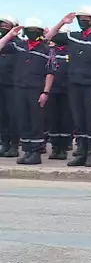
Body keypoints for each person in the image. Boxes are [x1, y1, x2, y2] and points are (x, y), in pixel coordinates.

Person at [45, 6, 91, 167]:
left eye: (86, 18)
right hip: (74, 84)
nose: (83, 20)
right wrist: (62, 22)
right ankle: (81, 153)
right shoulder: (73, 36)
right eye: (80, 17)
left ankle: (90, 154)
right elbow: (48, 37)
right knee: (78, 120)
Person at [0, 19, 55, 164]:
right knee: (23, 120)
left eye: (35, 30)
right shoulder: (19, 46)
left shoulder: (47, 50)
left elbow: (50, 73)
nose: (32, 33)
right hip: (19, 88)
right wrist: (10, 34)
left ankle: (35, 153)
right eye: (29, 30)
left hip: (36, 90)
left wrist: (46, 92)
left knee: (35, 121)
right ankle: (27, 151)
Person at [47, 25, 73, 160]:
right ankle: (55, 147)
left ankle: (63, 148)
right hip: (52, 90)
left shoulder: (72, 50)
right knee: (53, 119)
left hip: (68, 90)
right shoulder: (50, 51)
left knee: (65, 120)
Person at [0, 15, 20, 157]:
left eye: (6, 25)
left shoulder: (18, 44)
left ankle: (14, 146)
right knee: (2, 117)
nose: (3, 27)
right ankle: (4, 144)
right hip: (1, 85)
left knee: (13, 117)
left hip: (13, 86)